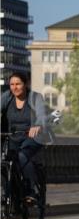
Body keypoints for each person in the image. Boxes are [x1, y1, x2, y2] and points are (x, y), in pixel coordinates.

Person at [1, 73, 49, 202]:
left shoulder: (35, 97)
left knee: (22, 156)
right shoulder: (7, 97)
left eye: (18, 84)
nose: (14, 87)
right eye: (12, 84)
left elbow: (41, 114)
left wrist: (38, 125)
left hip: (32, 136)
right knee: (4, 160)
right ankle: (9, 191)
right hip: (12, 137)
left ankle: (30, 190)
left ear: (25, 84)